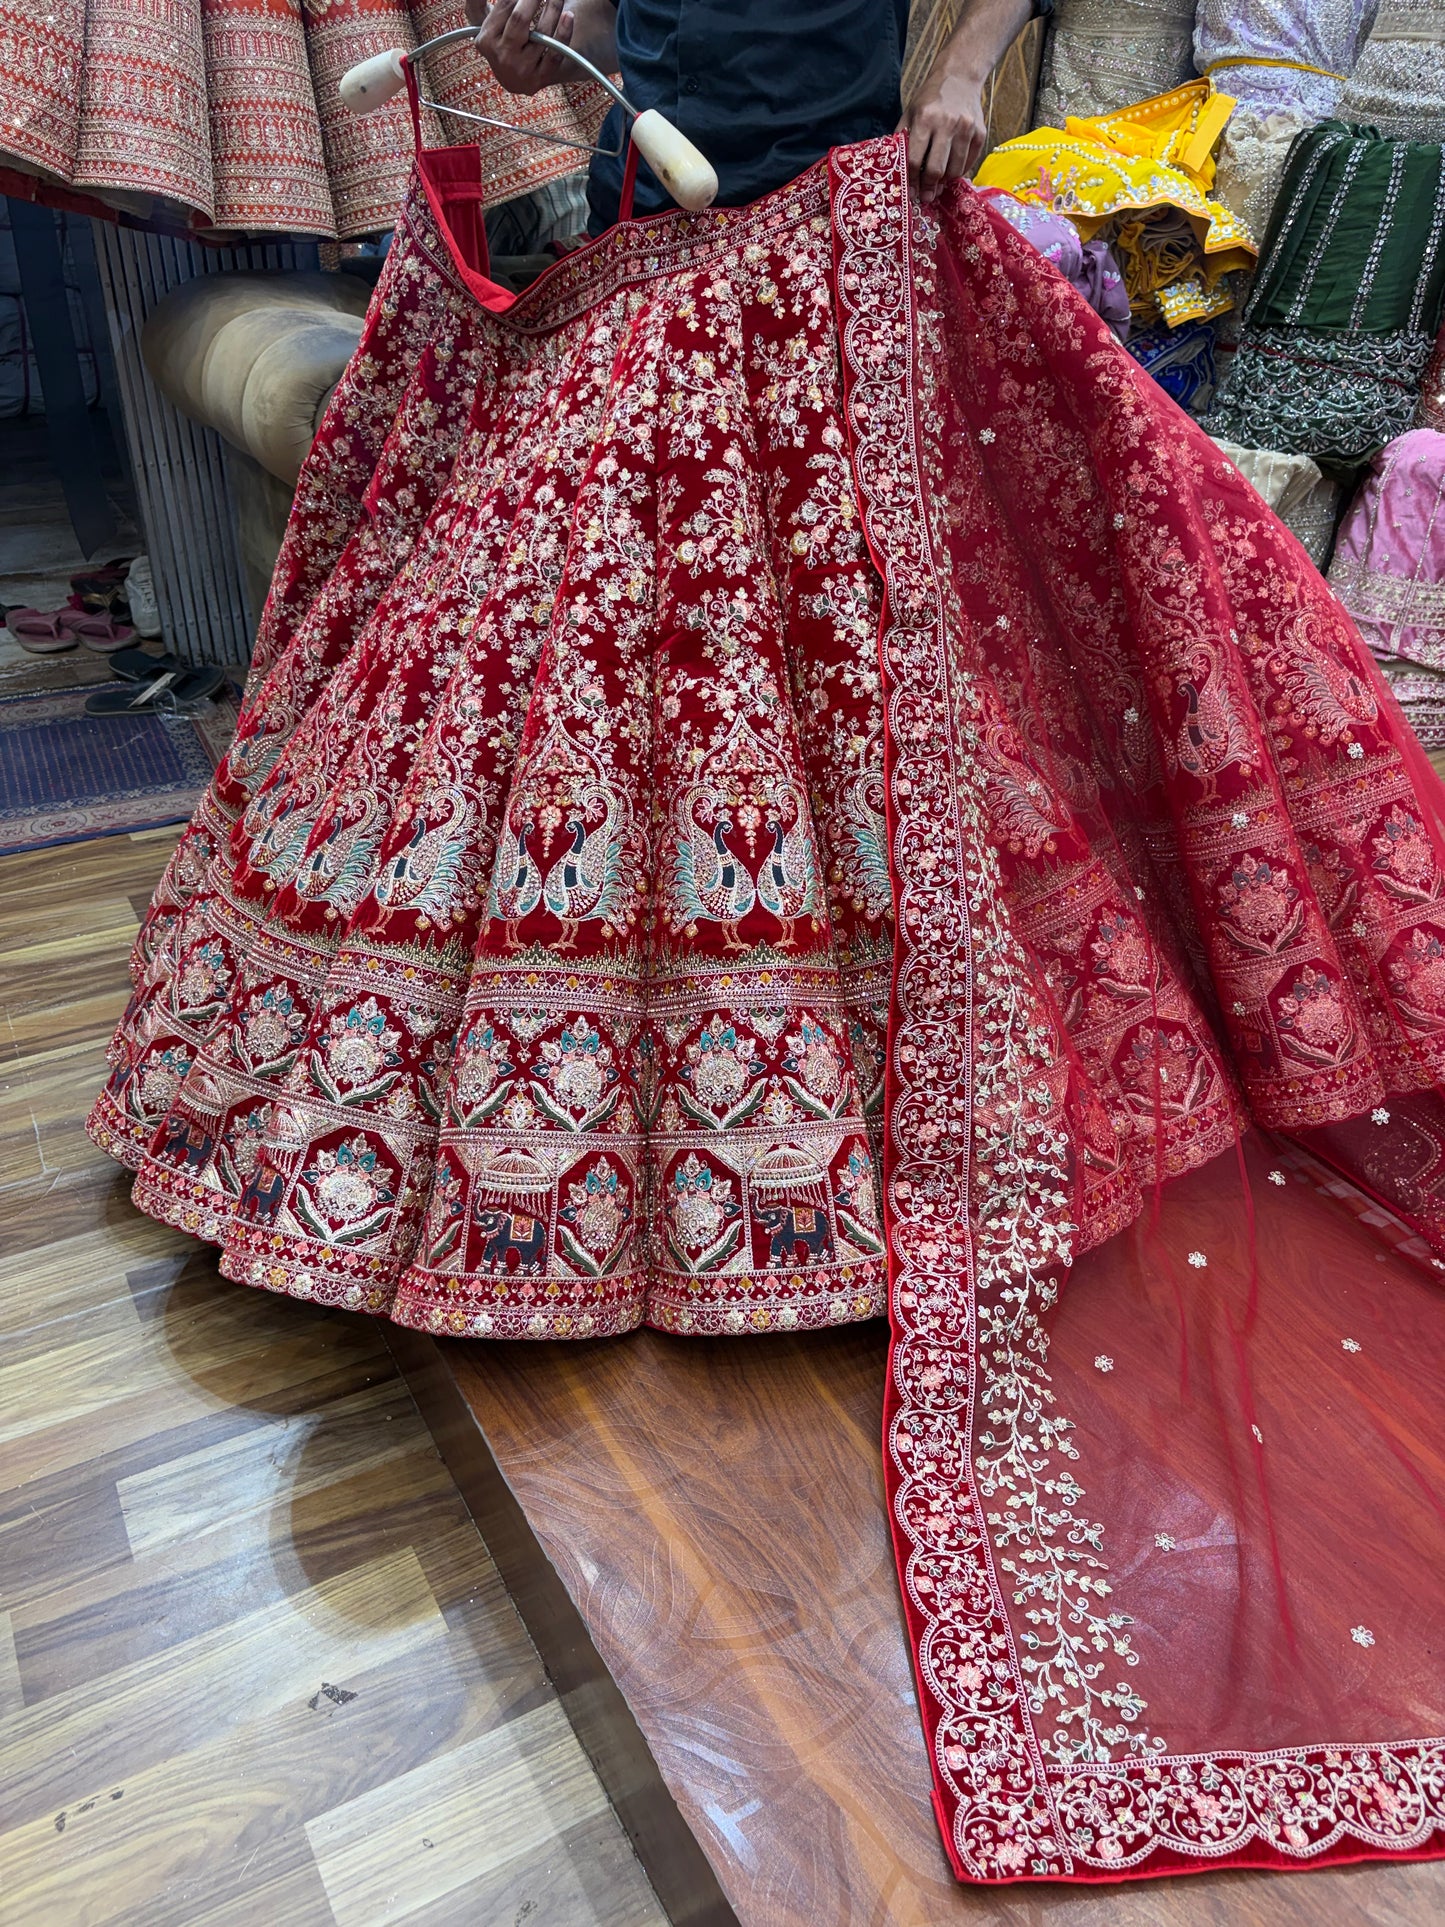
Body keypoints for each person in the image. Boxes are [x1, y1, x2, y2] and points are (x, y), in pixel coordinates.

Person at [89, 8, 1445, 1887]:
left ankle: (829, 1142)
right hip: (641, 201)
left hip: (844, 219)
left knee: (931, 656)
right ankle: (576, 1144)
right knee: (541, 631)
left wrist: (960, 73)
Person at [467, 0, 1051, 226]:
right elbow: (622, 21)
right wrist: (550, 52)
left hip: (819, 208)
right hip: (642, 207)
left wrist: (959, 75)